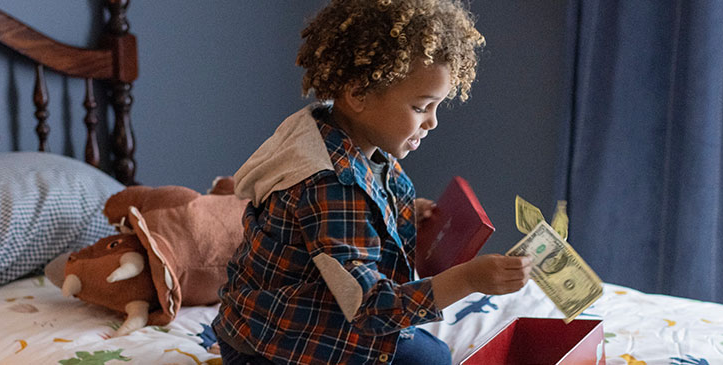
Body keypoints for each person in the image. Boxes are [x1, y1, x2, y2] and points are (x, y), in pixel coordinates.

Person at [212, 0, 531, 364]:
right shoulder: (332, 184)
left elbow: (359, 222)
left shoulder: (343, 137)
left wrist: (407, 211)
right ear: (359, 93)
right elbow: (371, 309)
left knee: (435, 355)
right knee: (433, 360)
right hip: (274, 347)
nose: (432, 122)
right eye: (420, 107)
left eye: (436, 107)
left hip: (296, 319)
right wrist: (468, 280)